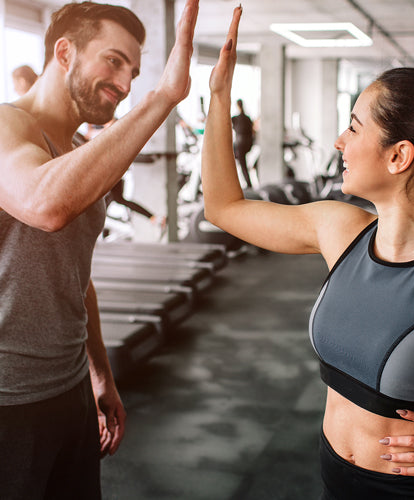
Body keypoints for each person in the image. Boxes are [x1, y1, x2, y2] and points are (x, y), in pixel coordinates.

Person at [202, 7, 414, 499]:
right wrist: (217, 98)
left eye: (354, 127)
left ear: (399, 156)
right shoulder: (340, 228)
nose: (340, 141)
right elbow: (223, 206)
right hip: (335, 480)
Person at [0, 0, 198, 498]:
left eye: (133, 70)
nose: (125, 83)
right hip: (8, 400)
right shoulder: (6, 128)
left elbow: (75, 273)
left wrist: (99, 374)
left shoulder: (77, 154)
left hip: (67, 390)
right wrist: (163, 97)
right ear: (64, 52)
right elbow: (44, 204)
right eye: (113, 61)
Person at [232, 98, 254, 187]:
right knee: (241, 164)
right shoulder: (247, 118)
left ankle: (248, 183)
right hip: (246, 143)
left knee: (241, 164)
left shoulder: (236, 119)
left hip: (240, 144)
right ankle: (247, 183)